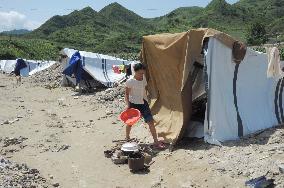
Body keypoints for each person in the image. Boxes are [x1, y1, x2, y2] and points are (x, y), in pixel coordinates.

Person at [125, 63, 165, 149]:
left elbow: (144, 88)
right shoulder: (130, 81)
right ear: (135, 72)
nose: (141, 75)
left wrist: (146, 98)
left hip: (143, 103)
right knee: (130, 123)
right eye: (140, 73)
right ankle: (127, 137)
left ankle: (156, 141)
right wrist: (128, 105)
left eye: (143, 73)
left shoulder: (143, 78)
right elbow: (126, 94)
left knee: (150, 121)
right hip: (133, 104)